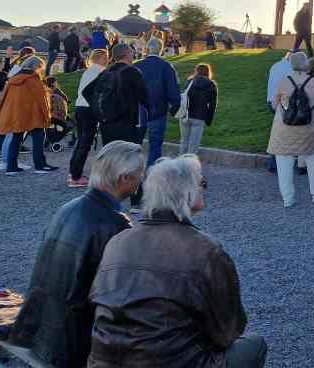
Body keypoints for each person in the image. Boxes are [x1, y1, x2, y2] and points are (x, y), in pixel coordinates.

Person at [88, 156, 267, 368]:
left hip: (103, 362)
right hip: (170, 361)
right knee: (255, 345)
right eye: (202, 183)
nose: (204, 188)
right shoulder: (206, 250)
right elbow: (229, 330)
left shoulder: (117, 241)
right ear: (188, 193)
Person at [8, 141, 145, 368]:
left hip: (36, 329)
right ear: (124, 178)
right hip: (72, 344)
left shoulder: (68, 207)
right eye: (140, 174)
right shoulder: (116, 224)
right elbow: (123, 296)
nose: (142, 180)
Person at [92, 44, 150, 211]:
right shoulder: (132, 72)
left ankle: (106, 200)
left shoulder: (105, 72)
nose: (133, 54)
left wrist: (100, 114)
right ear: (126, 54)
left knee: (111, 161)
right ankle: (136, 202)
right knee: (132, 161)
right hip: (127, 123)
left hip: (107, 123)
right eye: (132, 52)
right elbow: (144, 97)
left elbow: (89, 93)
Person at [269, 52, 314, 206]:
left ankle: (288, 198)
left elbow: (274, 105)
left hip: (284, 129)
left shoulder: (284, 82)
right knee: (313, 160)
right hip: (307, 127)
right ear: (305, 63)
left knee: (284, 161)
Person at [0, 55, 55, 173]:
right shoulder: (33, 79)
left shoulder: (13, 79)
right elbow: (42, 99)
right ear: (37, 67)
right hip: (34, 114)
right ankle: (40, 166)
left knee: (16, 138)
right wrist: (47, 116)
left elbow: (4, 98)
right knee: (39, 137)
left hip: (16, 114)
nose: (41, 71)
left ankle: (11, 167)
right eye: (41, 68)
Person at [135, 37, 181, 165]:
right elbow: (173, 90)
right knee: (155, 146)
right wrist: (175, 107)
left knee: (133, 146)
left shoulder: (137, 65)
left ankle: (131, 173)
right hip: (158, 110)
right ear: (160, 50)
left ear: (147, 49)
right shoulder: (166, 67)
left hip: (138, 112)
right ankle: (151, 175)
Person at [68, 48, 109, 187]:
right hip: (88, 109)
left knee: (81, 142)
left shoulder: (88, 71)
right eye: (106, 57)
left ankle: (74, 172)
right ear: (101, 58)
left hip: (79, 108)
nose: (108, 60)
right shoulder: (100, 71)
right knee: (85, 144)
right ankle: (76, 177)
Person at [179, 63, 218, 155]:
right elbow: (212, 104)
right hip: (199, 117)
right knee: (194, 145)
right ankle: (190, 166)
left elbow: (184, 96)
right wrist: (208, 120)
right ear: (208, 72)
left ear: (196, 71)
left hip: (185, 115)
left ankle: (180, 165)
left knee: (184, 142)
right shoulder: (211, 84)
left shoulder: (190, 82)